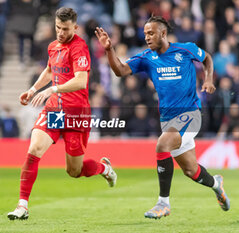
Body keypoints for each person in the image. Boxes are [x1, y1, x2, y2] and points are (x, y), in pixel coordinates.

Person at [95, 16, 230, 219]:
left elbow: (207, 58)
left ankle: (163, 203)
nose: (147, 37)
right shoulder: (147, 58)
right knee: (191, 170)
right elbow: (120, 71)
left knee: (162, 145)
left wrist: (209, 79)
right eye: (145, 33)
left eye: (151, 33)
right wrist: (108, 49)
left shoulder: (185, 49)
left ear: (163, 33)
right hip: (168, 120)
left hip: (190, 114)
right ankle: (216, 184)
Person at [7, 7, 117, 220]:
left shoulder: (79, 48)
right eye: (58, 27)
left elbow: (81, 80)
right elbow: (50, 70)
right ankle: (22, 206)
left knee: (74, 171)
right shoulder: (53, 46)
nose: (61, 32)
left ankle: (104, 169)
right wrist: (33, 90)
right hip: (55, 110)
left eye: (65, 29)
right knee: (34, 149)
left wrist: (53, 89)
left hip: (76, 114)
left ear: (75, 27)